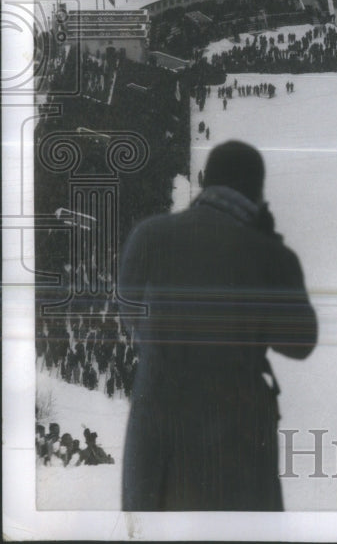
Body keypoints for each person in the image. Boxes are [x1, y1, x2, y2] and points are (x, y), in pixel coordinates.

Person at [119, 140, 318, 511]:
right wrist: (270, 249)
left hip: (155, 439)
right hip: (236, 443)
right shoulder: (270, 254)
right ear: (257, 191)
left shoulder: (149, 235)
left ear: (206, 182)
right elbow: (300, 341)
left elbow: (130, 313)